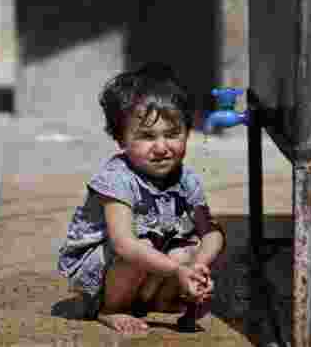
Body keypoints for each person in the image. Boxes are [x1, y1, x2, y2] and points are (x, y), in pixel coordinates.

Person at [57, 62, 226, 335]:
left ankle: (157, 300)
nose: (161, 147)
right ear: (121, 139)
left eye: (172, 134)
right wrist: (176, 272)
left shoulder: (186, 178)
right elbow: (124, 245)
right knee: (143, 245)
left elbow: (211, 232)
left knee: (189, 249)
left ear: (187, 131)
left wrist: (197, 267)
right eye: (147, 137)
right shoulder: (118, 178)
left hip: (145, 261)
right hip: (101, 274)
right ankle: (111, 309)